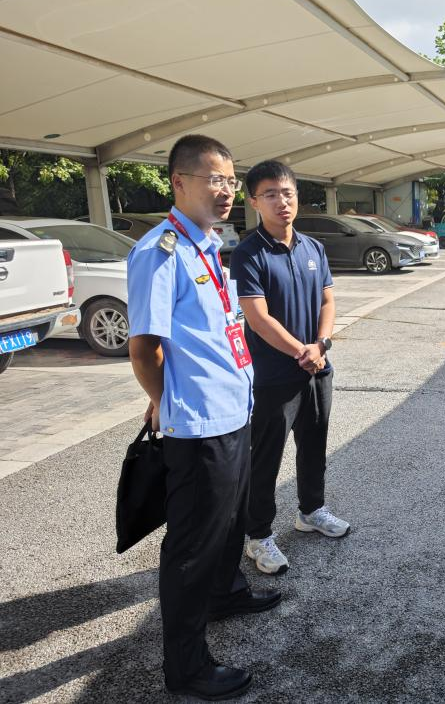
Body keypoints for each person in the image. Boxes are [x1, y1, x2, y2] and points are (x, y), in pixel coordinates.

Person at [128, 134, 281, 700]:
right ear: (179, 182)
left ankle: (225, 593)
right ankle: (187, 666)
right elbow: (144, 349)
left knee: (229, 522)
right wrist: (165, 401)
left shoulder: (208, 245)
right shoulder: (161, 251)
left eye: (230, 180)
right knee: (192, 547)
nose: (226, 190)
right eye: (215, 179)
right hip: (198, 426)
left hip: (232, 409)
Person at [230, 160, 349, 577]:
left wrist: (321, 345)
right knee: (265, 458)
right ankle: (258, 535)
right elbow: (258, 317)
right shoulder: (249, 253)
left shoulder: (313, 248)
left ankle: (311, 511)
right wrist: (302, 351)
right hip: (273, 377)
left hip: (317, 369)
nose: (282, 202)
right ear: (254, 201)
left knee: (314, 446)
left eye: (287, 193)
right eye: (270, 194)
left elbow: (328, 301)